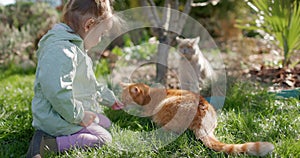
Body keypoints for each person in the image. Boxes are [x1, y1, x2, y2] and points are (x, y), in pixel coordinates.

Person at [26, 0, 124, 157]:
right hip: (55, 116)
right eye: (101, 34)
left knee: (105, 122)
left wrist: (109, 99)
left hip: (66, 111)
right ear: (89, 25)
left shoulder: (75, 47)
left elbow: (89, 84)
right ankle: (48, 143)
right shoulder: (62, 51)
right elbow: (57, 92)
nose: (101, 39)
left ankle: (48, 135)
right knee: (104, 138)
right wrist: (80, 116)